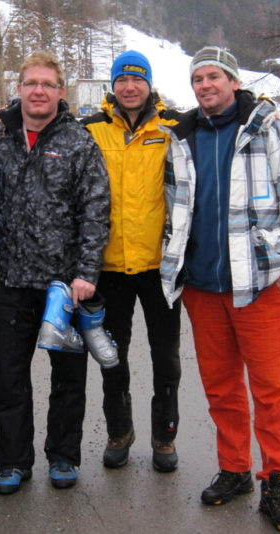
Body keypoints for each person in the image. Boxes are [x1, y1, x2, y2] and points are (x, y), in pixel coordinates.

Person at [160, 46, 280, 531]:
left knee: (272, 391)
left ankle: (278, 482)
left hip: (260, 287)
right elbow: (174, 208)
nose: (205, 85)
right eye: (198, 79)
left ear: (232, 81)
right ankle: (235, 470)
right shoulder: (181, 138)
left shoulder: (265, 127)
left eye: (213, 76)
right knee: (221, 388)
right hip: (203, 289)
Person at [0, 51, 109, 494]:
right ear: (19, 89)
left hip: (65, 286)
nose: (38, 91)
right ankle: (13, 462)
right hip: (14, 282)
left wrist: (87, 271)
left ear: (60, 92)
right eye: (31, 83)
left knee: (68, 380)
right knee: (10, 378)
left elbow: (96, 210)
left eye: (47, 84)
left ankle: (64, 456)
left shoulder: (79, 142)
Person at [81, 50, 183, 472]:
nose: (129, 87)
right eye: (122, 80)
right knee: (111, 356)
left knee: (167, 359)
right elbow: (38, 125)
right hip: (109, 268)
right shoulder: (90, 130)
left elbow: (225, 118)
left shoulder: (174, 128)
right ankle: (119, 433)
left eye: (137, 80)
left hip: (160, 268)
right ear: (113, 84)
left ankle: (164, 438)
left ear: (149, 84)